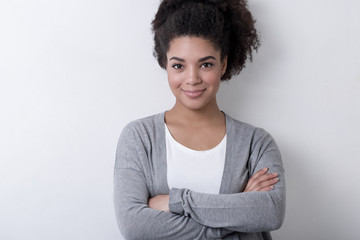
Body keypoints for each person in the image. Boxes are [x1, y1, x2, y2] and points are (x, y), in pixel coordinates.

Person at [114, 0, 285, 239]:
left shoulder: (256, 142)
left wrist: (177, 201)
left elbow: (270, 212)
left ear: (223, 64)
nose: (192, 78)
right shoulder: (139, 137)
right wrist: (238, 213)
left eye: (206, 64)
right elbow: (134, 225)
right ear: (166, 64)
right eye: (178, 65)